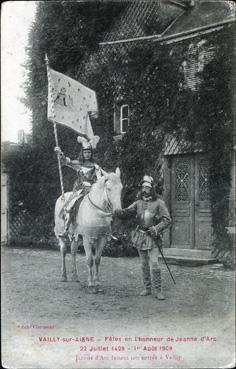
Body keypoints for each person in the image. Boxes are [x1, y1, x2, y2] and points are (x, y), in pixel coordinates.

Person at [113, 175, 171, 300]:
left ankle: (158, 290)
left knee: (154, 264)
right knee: (144, 264)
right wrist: (116, 211)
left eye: (147, 187)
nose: (145, 190)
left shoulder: (159, 203)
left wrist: (156, 228)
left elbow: (167, 220)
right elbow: (126, 212)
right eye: (143, 187)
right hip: (140, 236)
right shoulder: (138, 203)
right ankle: (147, 288)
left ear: (152, 189)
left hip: (153, 237)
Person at [54, 136, 106, 238]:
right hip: (80, 190)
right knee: (71, 204)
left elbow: (100, 179)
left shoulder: (96, 166)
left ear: (91, 153)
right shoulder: (78, 164)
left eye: (89, 152)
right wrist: (60, 153)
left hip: (92, 190)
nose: (87, 154)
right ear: (82, 153)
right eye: (85, 152)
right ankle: (66, 228)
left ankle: (106, 229)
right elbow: (66, 162)